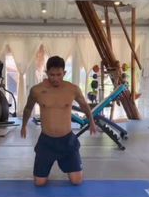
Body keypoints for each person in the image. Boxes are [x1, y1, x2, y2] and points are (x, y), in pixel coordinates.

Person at [21, 56, 97, 186]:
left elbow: (84, 106)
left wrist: (92, 121)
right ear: (46, 73)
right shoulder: (37, 90)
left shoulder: (72, 89)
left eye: (58, 74)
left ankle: (70, 167)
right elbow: (28, 108)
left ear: (64, 73)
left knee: (77, 181)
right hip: (46, 141)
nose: (55, 78)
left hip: (67, 141)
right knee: (39, 183)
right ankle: (44, 170)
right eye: (52, 75)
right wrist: (24, 126)